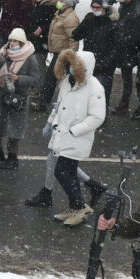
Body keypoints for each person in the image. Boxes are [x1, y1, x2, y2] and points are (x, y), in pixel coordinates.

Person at [46, 49, 106, 227]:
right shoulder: (67, 82)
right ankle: (75, 206)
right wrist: (54, 123)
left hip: (76, 138)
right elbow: (60, 106)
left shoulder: (95, 87)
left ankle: (80, 207)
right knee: (68, 172)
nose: (71, 68)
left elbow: (97, 117)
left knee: (62, 172)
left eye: (75, 65)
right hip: (62, 135)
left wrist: (75, 131)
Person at [0, 28, 40, 171]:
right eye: (10, 40)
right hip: (2, 97)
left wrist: (19, 79)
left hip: (18, 99)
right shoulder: (6, 54)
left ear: (22, 42)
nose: (12, 43)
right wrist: (2, 57)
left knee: (14, 132)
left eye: (16, 41)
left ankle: (12, 159)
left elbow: (35, 79)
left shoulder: (30, 57)